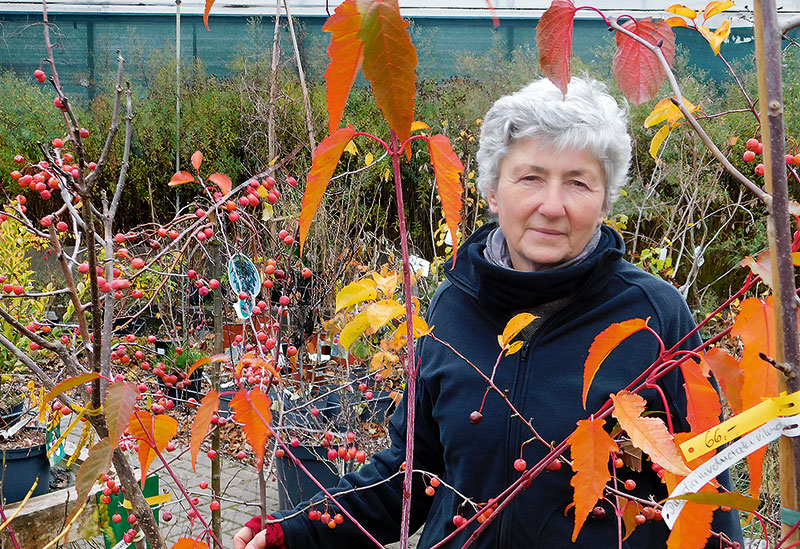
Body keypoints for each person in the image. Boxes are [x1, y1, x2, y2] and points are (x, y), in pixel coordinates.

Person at [234, 77, 743, 548]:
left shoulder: (654, 317)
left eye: (578, 183)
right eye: (530, 177)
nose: (551, 204)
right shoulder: (452, 307)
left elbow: (704, 487)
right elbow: (414, 478)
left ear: (606, 200)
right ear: (492, 191)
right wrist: (292, 534)